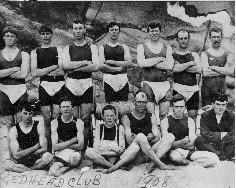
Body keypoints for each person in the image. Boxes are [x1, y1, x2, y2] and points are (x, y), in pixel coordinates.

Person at [103, 91, 177, 174]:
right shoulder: (126, 117)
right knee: (140, 136)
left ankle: (152, 164)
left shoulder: (151, 116)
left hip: (149, 154)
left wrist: (147, 139)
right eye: (139, 102)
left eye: (144, 102)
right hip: (135, 154)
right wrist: (149, 137)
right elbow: (129, 140)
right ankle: (160, 164)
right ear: (134, 102)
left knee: (170, 136)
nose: (141, 104)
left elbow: (157, 138)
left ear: (146, 103)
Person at [62, 19, 99, 149]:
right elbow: (65, 65)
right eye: (75, 28)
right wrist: (84, 62)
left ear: (84, 30)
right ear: (72, 31)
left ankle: (86, 149)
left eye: (80, 28)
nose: (78, 31)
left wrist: (74, 67)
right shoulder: (68, 48)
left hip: (86, 84)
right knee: (73, 119)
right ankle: (75, 148)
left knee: (86, 118)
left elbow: (95, 66)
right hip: (71, 84)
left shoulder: (92, 47)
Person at [31, 25, 65, 152]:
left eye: (47, 33)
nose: (45, 36)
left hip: (59, 86)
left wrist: (43, 71)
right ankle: (48, 148)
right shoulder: (36, 52)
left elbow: (62, 71)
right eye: (43, 34)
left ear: (51, 35)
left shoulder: (58, 50)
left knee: (56, 118)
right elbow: (34, 73)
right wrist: (52, 68)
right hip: (44, 86)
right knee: (46, 119)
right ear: (40, 35)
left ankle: (57, 148)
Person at [161, 94, 219, 167]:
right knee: (175, 157)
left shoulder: (190, 121)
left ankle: (191, 163)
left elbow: (191, 144)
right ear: (172, 107)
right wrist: (183, 141)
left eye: (181, 107)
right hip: (173, 152)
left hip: (188, 152)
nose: (179, 109)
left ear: (185, 107)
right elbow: (165, 145)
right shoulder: (165, 121)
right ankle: (191, 163)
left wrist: (175, 144)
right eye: (176, 107)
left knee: (214, 158)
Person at [0, 26, 30, 158]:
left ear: (16, 38)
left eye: (12, 36)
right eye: (7, 36)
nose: (9, 38)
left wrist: (4, 73)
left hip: (20, 90)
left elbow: (23, 74)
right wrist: (14, 69)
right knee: (9, 124)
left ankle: (24, 154)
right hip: (4, 91)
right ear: (3, 37)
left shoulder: (23, 54)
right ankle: (12, 155)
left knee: (21, 123)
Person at [137, 21, 174, 121]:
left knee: (164, 115)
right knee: (151, 116)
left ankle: (164, 136)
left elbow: (170, 65)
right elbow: (141, 63)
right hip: (149, 84)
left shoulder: (167, 48)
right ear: (148, 32)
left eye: (156, 31)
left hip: (164, 84)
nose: (154, 33)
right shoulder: (142, 47)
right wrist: (161, 59)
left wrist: (150, 63)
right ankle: (155, 136)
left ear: (160, 32)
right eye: (152, 31)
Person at [4, 102, 53, 172]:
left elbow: (44, 148)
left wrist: (23, 153)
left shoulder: (38, 125)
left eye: (30, 113)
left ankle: (28, 170)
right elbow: (16, 155)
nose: (27, 116)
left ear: (33, 114)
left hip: (36, 159)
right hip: (21, 161)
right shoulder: (14, 129)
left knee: (48, 157)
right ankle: (32, 169)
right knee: (7, 164)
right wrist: (35, 147)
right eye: (25, 113)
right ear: (20, 113)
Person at [49, 97, 84, 177]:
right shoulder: (55, 123)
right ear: (60, 109)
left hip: (73, 153)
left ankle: (69, 168)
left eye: (68, 107)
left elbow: (80, 146)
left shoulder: (79, 122)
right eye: (63, 107)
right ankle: (69, 168)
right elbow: (55, 147)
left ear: (72, 108)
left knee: (75, 159)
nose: (66, 109)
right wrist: (72, 141)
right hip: (60, 153)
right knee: (52, 172)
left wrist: (62, 144)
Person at [172, 29, 202, 120]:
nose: (183, 40)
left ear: (189, 39)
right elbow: (174, 69)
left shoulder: (194, 55)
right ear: (177, 40)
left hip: (192, 89)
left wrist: (181, 67)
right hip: (178, 88)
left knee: (193, 117)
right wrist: (190, 64)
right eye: (181, 38)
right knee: (179, 116)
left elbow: (199, 69)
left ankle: (192, 134)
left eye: (185, 38)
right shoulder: (173, 55)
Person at [201, 27, 234, 108]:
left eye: (218, 37)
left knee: (220, 115)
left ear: (221, 38)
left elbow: (230, 71)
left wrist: (214, 68)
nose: (216, 39)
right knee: (208, 115)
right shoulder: (205, 54)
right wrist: (223, 70)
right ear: (210, 38)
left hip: (221, 89)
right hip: (207, 90)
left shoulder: (228, 54)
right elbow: (205, 72)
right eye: (214, 37)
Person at [195, 93, 235, 161]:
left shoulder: (231, 115)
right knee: (199, 140)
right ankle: (221, 155)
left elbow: (233, 132)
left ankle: (219, 156)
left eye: (223, 105)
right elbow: (204, 133)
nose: (221, 107)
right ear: (213, 104)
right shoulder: (205, 115)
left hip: (226, 144)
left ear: (226, 104)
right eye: (218, 104)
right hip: (211, 145)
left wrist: (221, 137)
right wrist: (221, 135)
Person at [99, 22, 132, 102]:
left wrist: (112, 62)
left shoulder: (124, 47)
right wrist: (116, 69)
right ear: (108, 32)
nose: (114, 31)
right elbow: (101, 66)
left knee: (123, 106)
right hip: (109, 79)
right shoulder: (103, 47)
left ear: (119, 32)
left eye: (116, 30)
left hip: (122, 79)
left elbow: (128, 63)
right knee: (110, 105)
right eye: (112, 29)